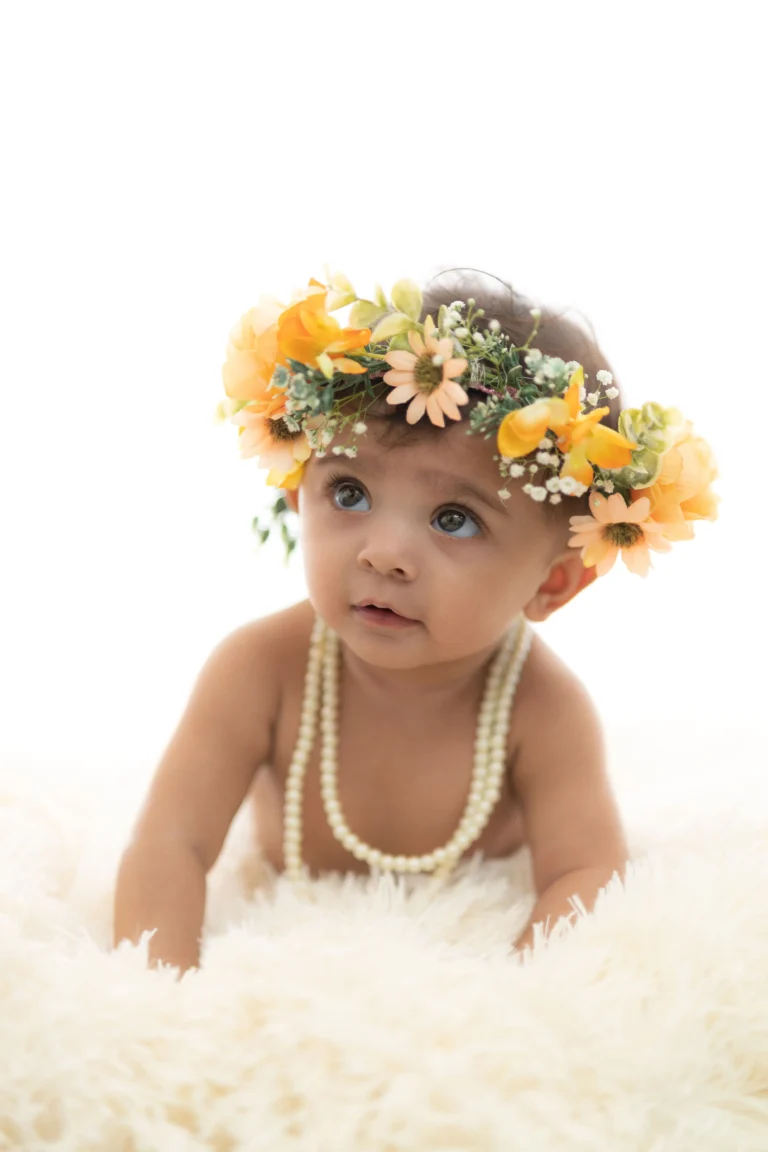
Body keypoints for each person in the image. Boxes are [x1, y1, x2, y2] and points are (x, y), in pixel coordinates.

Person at [113, 268, 718, 976]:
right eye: (348, 490)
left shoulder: (542, 709)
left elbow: (583, 873)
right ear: (295, 491)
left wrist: (521, 1002)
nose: (385, 554)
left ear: (553, 582)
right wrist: (161, 994)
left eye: (454, 519)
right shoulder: (259, 671)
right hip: (301, 943)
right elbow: (170, 843)